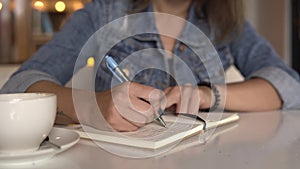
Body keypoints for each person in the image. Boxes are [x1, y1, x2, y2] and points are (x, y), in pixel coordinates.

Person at [1, 0, 300, 131]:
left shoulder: (227, 24)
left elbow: (288, 86)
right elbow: (19, 86)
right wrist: (93, 108)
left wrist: (210, 94)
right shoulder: (104, 13)